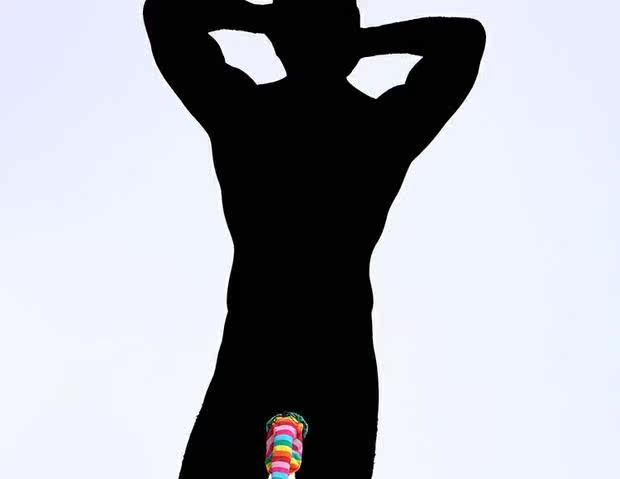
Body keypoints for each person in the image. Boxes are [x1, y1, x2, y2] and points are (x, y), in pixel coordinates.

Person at [143, 1, 486, 478]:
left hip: (260, 344)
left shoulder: (242, 115)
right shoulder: (380, 130)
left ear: (284, 42)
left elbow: (169, 14)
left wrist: (266, 21)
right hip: (334, 351)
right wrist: (360, 42)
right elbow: (463, 40)